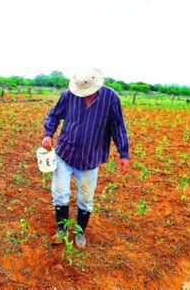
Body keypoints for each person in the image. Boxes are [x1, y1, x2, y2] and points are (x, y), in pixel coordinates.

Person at [41, 67, 130, 248]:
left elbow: (118, 126)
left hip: (90, 158)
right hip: (65, 153)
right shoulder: (68, 95)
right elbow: (53, 115)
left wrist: (124, 153)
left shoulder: (110, 98)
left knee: (86, 198)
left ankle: (80, 231)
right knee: (60, 193)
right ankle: (62, 229)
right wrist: (48, 134)